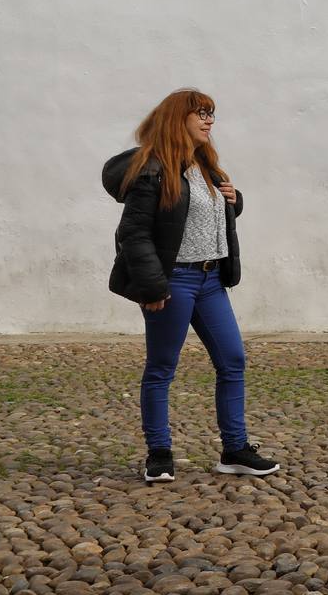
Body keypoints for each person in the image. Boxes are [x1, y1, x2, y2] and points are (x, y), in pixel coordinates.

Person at [102, 89, 280, 483]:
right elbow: (134, 234)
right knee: (162, 368)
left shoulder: (206, 166)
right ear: (176, 119)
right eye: (200, 113)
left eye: (211, 114)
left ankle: (234, 450)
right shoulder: (152, 170)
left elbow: (201, 214)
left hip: (211, 279)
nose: (209, 121)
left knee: (232, 361)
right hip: (174, 281)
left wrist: (233, 201)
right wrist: (152, 288)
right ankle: (159, 454)